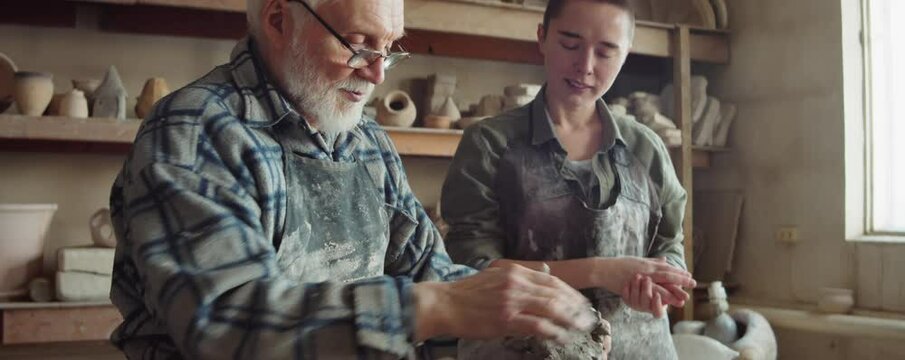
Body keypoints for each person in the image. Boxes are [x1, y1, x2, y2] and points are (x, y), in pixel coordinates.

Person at [107, 0, 604, 358]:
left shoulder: (363, 136)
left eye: (390, 48)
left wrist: (527, 316)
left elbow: (428, 272)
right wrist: (433, 306)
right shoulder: (197, 130)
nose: (378, 74)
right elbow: (225, 318)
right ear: (279, 20)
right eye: (360, 44)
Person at [441, 0, 697, 358]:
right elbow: (469, 270)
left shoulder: (646, 148)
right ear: (542, 37)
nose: (585, 66)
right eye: (570, 44)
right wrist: (599, 272)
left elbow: (669, 247)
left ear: (626, 54)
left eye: (606, 52)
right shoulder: (490, 144)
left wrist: (659, 288)